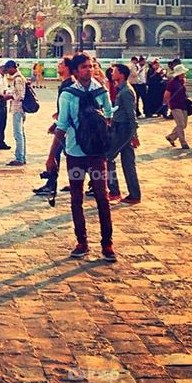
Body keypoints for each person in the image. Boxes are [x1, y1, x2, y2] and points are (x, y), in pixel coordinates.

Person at [46, 52, 116, 261]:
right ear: (75, 71)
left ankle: (108, 243)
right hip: (75, 153)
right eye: (84, 67)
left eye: (91, 66)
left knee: (102, 197)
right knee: (76, 198)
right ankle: (82, 241)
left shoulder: (101, 92)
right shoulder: (68, 94)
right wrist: (52, 156)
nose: (89, 70)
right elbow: (62, 125)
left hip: (96, 155)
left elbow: (110, 116)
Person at [33, 56, 74, 198]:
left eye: (61, 64)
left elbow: (68, 109)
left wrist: (58, 124)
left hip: (67, 128)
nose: (58, 66)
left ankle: (52, 184)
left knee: (58, 153)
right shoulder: (66, 83)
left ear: (68, 67)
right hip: (64, 126)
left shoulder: (68, 85)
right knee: (68, 155)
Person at [106, 63, 141, 204]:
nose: (112, 73)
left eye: (114, 71)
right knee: (128, 162)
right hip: (122, 128)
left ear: (121, 74)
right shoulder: (122, 89)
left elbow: (131, 115)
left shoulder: (126, 91)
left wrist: (134, 135)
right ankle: (134, 194)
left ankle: (114, 191)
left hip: (123, 129)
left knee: (107, 157)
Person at [3, 60, 28, 167]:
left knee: (18, 134)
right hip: (19, 109)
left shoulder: (18, 79)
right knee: (21, 133)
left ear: (12, 68)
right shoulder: (19, 78)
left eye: (8, 69)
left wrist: (9, 97)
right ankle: (22, 156)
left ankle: (20, 158)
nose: (8, 71)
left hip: (18, 108)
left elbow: (21, 96)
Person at [164, 62, 192, 149]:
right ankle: (183, 142)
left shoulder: (182, 81)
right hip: (175, 105)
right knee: (180, 124)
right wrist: (169, 104)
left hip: (183, 104)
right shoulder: (172, 83)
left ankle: (171, 137)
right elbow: (166, 95)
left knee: (184, 124)